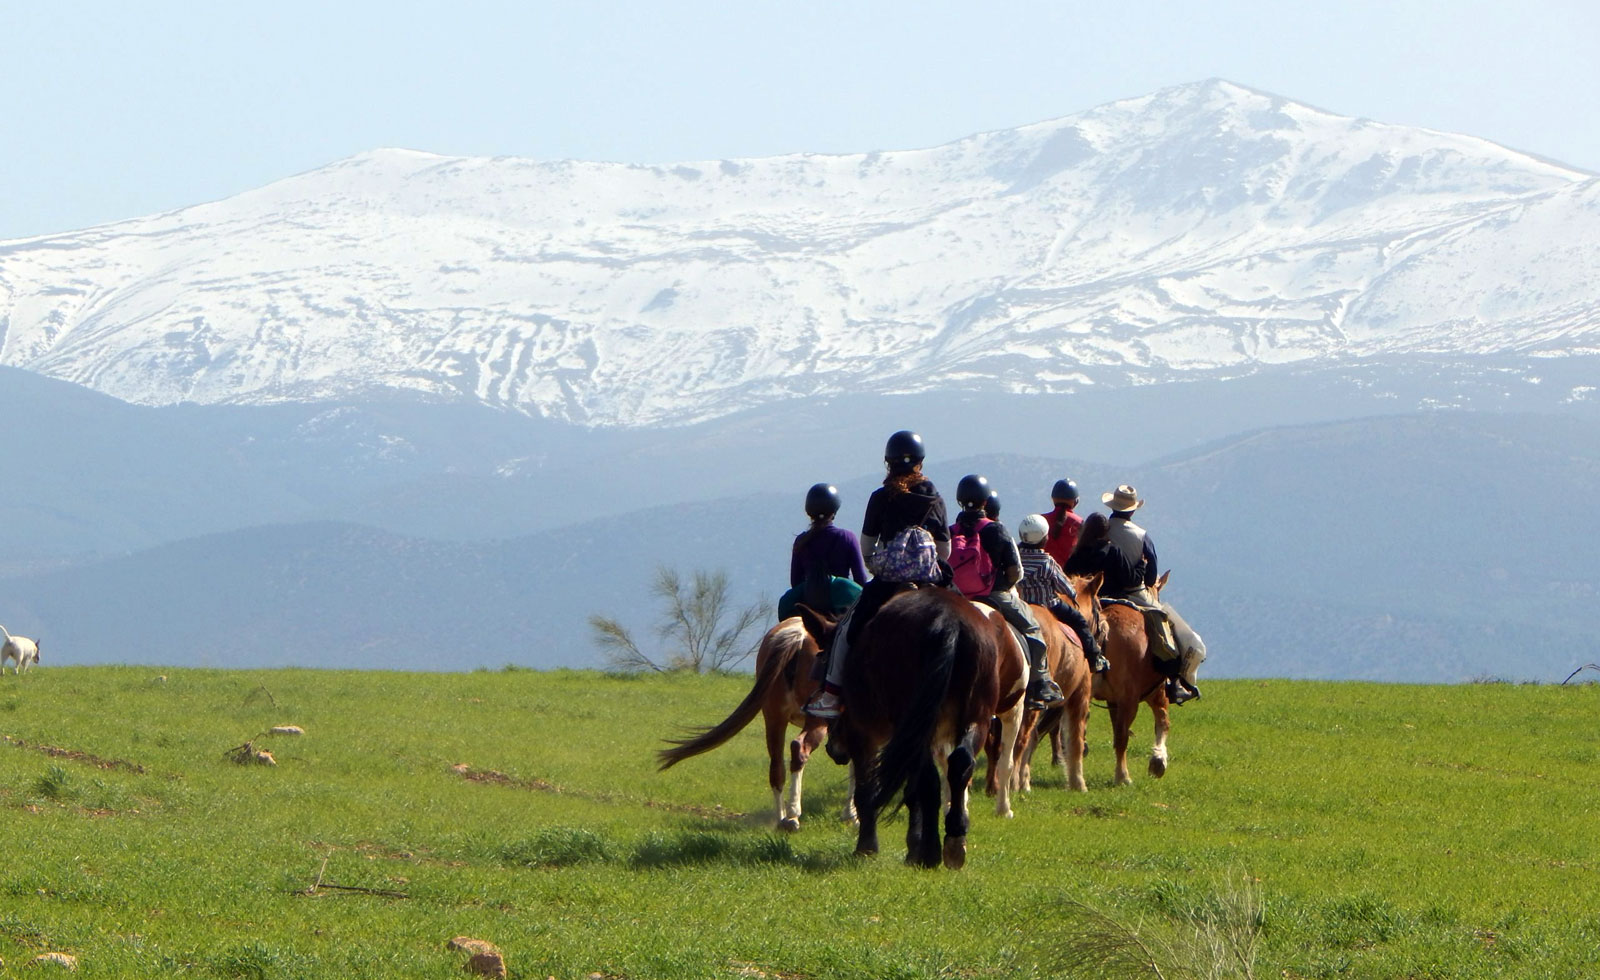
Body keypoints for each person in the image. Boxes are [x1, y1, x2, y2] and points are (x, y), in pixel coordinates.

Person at [805, 431, 950, 719]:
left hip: (888, 582)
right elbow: (944, 550)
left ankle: (831, 695)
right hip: (930, 581)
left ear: (888, 463)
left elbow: (867, 547)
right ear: (920, 463)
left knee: (847, 630)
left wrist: (881, 566)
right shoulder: (936, 498)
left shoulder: (881, 497)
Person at [948, 474, 1064, 709]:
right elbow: (1015, 571)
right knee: (1032, 628)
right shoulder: (996, 530)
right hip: (993, 595)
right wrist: (1003, 585)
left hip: (955, 596)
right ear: (985, 501)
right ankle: (1039, 684)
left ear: (960, 500)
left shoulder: (950, 531)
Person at [1078, 484, 1200, 704]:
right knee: (1170, 631)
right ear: (1133, 510)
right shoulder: (1141, 535)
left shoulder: (1098, 531)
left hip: (1094, 595)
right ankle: (1175, 682)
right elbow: (1151, 575)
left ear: (1112, 506)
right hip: (1133, 593)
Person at [1016, 513, 1109, 674]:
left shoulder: (1016, 557)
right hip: (1048, 605)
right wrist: (1073, 595)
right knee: (1079, 620)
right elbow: (1066, 587)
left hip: (1020, 604)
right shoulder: (1047, 561)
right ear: (1044, 539)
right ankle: (1095, 657)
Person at [777, 483, 867, 621]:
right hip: (840, 607)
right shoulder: (847, 537)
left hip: (808, 605)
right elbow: (860, 579)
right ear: (834, 510)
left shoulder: (801, 541)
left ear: (809, 512)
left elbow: (795, 582)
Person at [1042, 478, 1083, 569]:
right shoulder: (1079, 523)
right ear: (1075, 501)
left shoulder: (1041, 520)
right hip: (1068, 576)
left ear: (1053, 498)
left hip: (1043, 573)